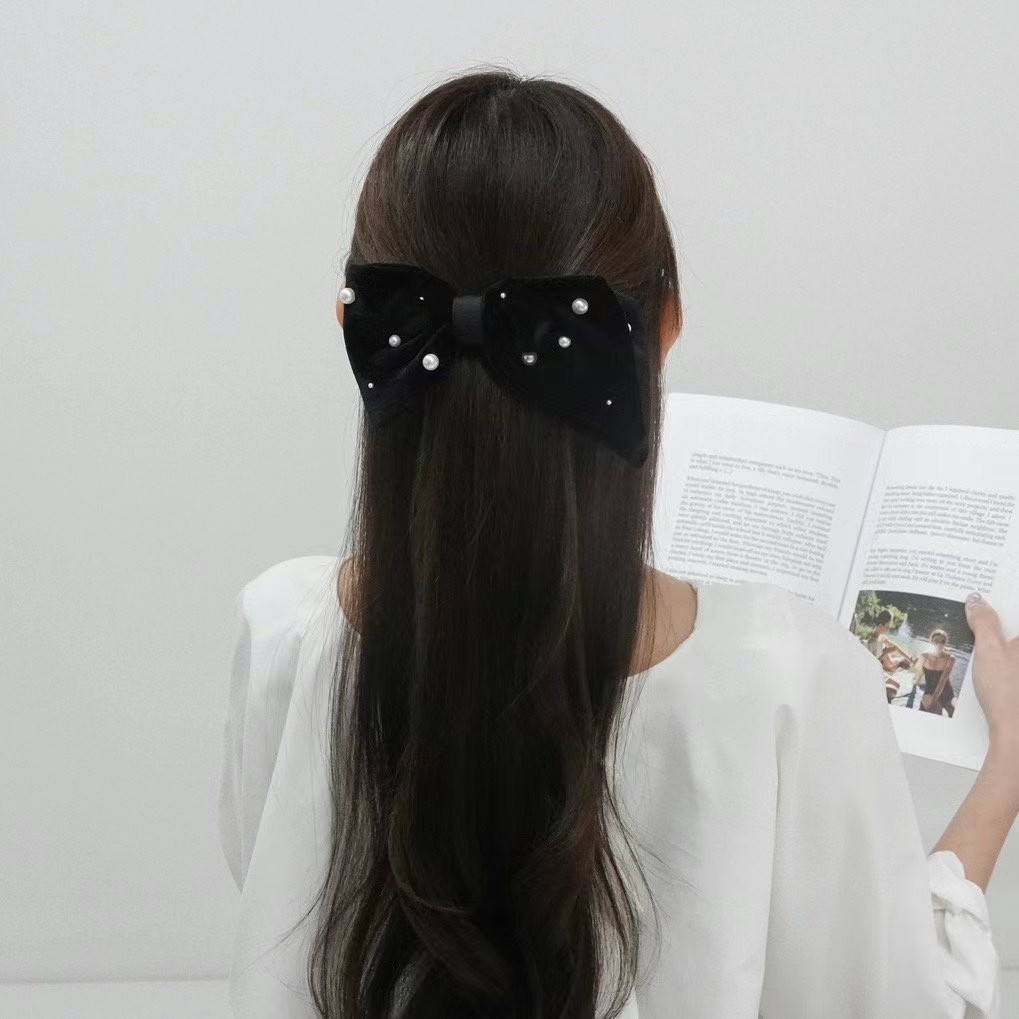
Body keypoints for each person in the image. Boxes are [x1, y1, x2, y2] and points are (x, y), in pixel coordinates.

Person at [217, 69, 1018, 1018]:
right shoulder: (790, 682)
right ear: (663, 327)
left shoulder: (282, 630)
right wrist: (1004, 766)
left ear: (358, 329)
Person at [863, 609, 918, 703]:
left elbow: (896, 648)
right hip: (872, 673)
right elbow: (870, 664)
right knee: (892, 690)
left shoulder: (882, 637)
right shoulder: (871, 641)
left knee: (897, 685)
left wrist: (910, 658)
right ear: (880, 626)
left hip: (880, 671)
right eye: (887, 626)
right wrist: (885, 652)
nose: (889, 629)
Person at [917, 629, 958, 718]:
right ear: (931, 641)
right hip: (930, 690)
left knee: (953, 714)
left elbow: (943, 680)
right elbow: (919, 672)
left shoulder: (950, 658)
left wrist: (934, 699)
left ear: (945, 643)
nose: (939, 644)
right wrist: (916, 683)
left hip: (946, 691)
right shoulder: (924, 656)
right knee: (928, 713)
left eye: (942, 641)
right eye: (936, 641)